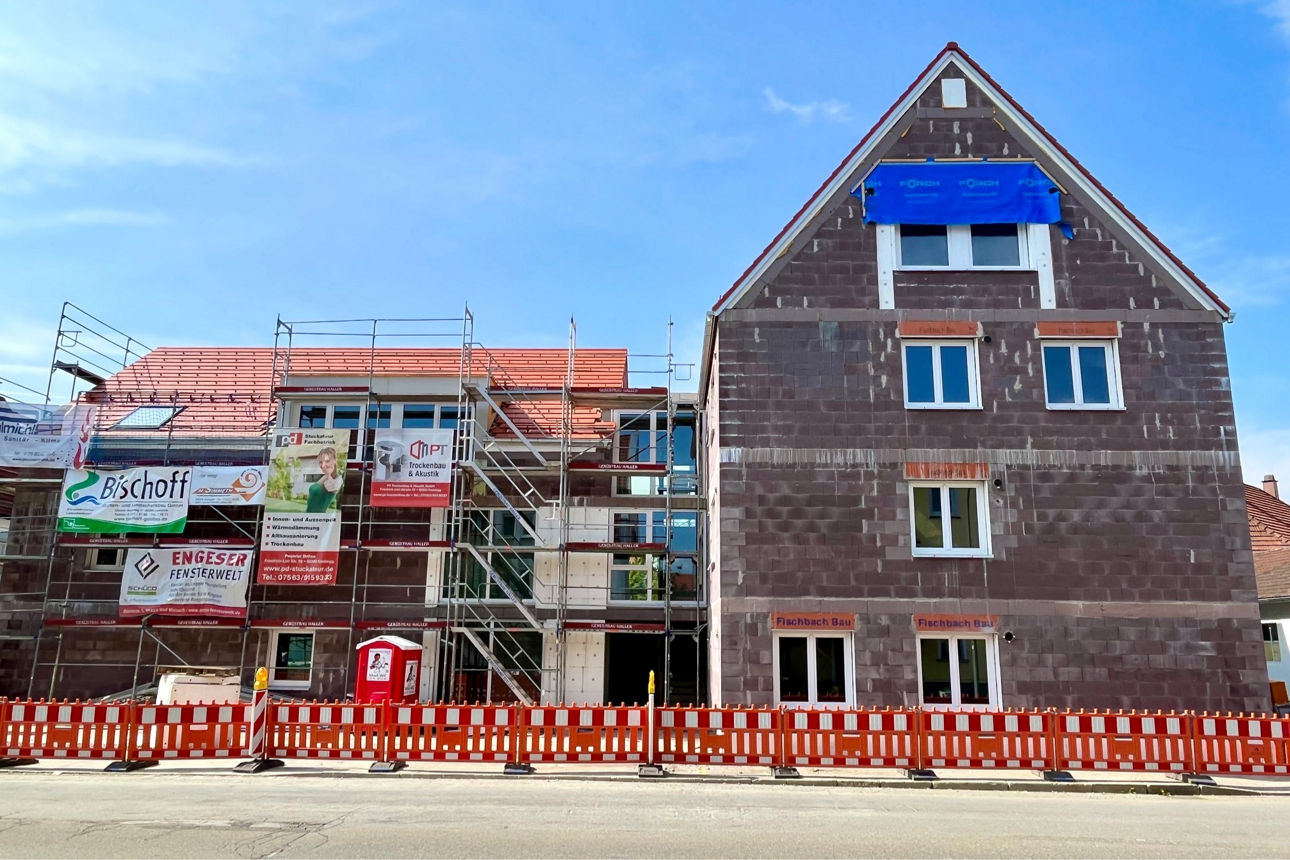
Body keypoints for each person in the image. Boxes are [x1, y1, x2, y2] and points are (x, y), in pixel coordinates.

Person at [305, 446, 344, 512]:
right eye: (320, 462)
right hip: (307, 517)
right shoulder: (324, 476)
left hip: (318, 519)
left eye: (327, 461)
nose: (323, 465)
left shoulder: (338, 479)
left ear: (334, 461)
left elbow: (333, 487)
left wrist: (329, 474)